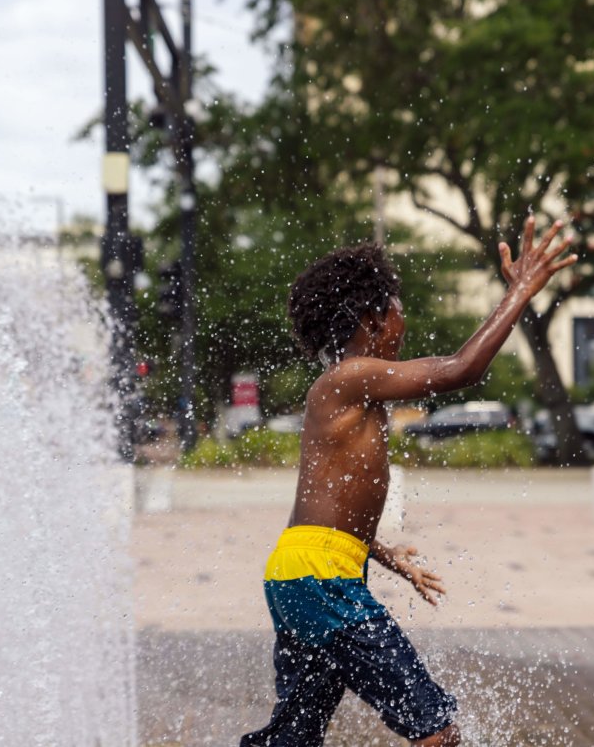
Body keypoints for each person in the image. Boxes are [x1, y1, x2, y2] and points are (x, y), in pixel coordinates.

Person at [240, 215, 575, 747]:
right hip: (321, 579)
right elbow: (462, 368)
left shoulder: (344, 388)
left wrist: (379, 552)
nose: (404, 321)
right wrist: (521, 292)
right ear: (373, 320)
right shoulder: (353, 376)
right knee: (434, 729)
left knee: (295, 738)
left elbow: (323, 507)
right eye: (399, 309)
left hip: (304, 572)